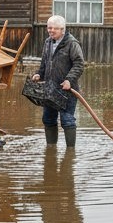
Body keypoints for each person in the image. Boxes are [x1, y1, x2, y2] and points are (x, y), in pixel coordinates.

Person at [30, 15, 84, 148]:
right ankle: (51, 148)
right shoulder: (48, 42)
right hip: (50, 89)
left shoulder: (72, 43)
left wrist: (69, 80)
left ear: (62, 29)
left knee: (67, 120)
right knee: (48, 119)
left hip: (67, 90)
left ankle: (70, 152)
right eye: (49, 27)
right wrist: (38, 74)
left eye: (54, 28)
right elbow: (44, 63)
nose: (51, 30)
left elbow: (79, 64)